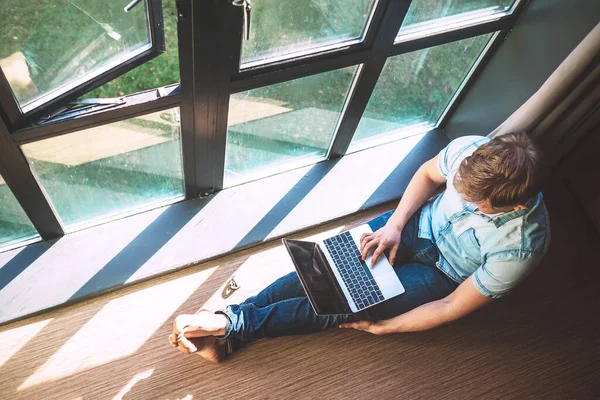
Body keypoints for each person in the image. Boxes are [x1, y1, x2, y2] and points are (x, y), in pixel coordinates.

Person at [169, 132, 550, 362]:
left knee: (340, 304)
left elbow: (452, 307)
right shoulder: (471, 152)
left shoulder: (520, 250)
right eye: (462, 193)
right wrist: (396, 226)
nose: (465, 203)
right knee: (321, 269)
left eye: (476, 205)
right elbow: (427, 174)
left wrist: (388, 328)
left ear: (515, 206)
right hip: (412, 225)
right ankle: (230, 329)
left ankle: (230, 325)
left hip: (442, 273)